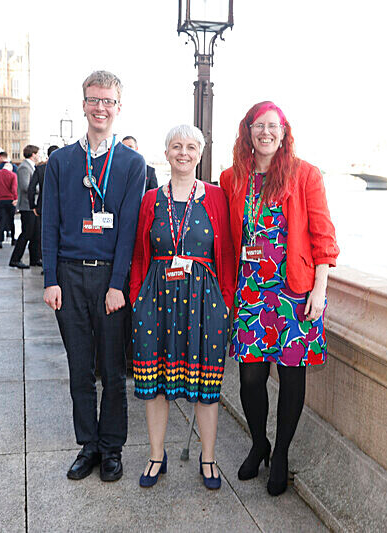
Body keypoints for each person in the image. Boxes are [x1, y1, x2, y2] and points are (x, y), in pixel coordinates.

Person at [220, 101, 339, 496]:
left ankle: (282, 453)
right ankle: (259, 443)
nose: (266, 133)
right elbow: (223, 237)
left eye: (273, 126)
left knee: (292, 376)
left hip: (296, 292)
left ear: (284, 132)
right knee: (250, 376)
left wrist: (319, 291)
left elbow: (323, 237)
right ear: (248, 131)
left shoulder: (305, 175)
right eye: (259, 126)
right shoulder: (232, 178)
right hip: (251, 292)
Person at [42, 70, 145, 482]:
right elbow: (49, 224)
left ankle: (112, 447)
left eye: (108, 101)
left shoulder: (131, 163)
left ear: (118, 108)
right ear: (83, 103)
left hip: (109, 281)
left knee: (113, 371)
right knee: (80, 368)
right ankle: (88, 445)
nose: (100, 108)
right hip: (68, 276)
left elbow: (129, 231)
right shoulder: (61, 162)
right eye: (94, 100)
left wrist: (118, 284)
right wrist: (50, 279)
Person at [130, 125, 235, 489]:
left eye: (191, 147)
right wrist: (136, 300)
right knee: (154, 382)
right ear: (167, 152)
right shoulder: (150, 199)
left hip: (205, 302)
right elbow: (140, 254)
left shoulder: (217, 198)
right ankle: (156, 454)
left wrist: (225, 303)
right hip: (156, 299)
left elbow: (228, 254)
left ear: (201, 153)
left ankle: (209, 458)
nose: (184, 153)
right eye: (177, 146)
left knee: (206, 383)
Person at [28, 144, 60, 271]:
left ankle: (46, 264)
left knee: (44, 235)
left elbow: (31, 188)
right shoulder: (64, 167)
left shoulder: (40, 169)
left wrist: (33, 206)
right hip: (61, 207)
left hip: (43, 207)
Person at [9, 144, 40, 269]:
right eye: (37, 153)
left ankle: (34, 259)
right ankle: (15, 259)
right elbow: (25, 186)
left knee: (35, 233)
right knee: (26, 233)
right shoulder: (24, 167)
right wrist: (41, 188)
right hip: (27, 206)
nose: (38, 156)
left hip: (32, 205)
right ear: (32, 154)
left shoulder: (31, 166)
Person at [0, 162, 17, 248]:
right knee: (11, 220)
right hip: (10, 201)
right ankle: (12, 239)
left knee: (1, 221)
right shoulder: (13, 175)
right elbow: (14, 188)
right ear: (10, 168)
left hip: (0, 201)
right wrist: (15, 198)